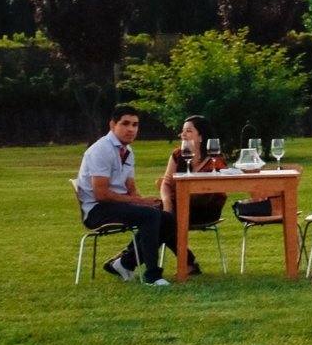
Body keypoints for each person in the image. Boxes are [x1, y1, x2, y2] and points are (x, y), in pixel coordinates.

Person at [75, 105, 195, 285]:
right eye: (125, 124)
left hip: (116, 205)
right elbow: (101, 194)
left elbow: (130, 188)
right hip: (97, 210)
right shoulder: (100, 150)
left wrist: (146, 202)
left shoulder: (127, 151)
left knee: (167, 217)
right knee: (150, 215)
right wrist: (142, 203)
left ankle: (125, 263)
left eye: (135, 124)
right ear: (112, 125)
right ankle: (152, 276)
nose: (131, 129)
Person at [159, 115, 228, 226]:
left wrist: (177, 200)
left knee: (159, 218)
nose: (183, 135)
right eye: (182, 131)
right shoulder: (178, 154)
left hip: (205, 210)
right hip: (177, 204)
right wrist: (167, 206)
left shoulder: (215, 161)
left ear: (201, 137)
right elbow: (166, 183)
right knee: (156, 214)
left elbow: (204, 196)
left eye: (188, 131)